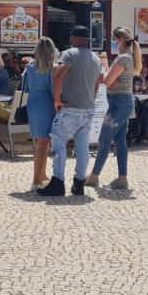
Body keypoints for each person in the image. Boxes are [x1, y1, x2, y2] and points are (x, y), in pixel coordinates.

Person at [38, 26, 101, 197]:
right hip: (88, 108)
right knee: (82, 147)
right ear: (88, 40)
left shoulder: (69, 54)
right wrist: (91, 99)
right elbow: (97, 82)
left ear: (73, 38)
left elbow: (58, 74)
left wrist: (57, 99)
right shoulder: (96, 59)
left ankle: (58, 182)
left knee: (59, 144)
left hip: (69, 107)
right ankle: (79, 183)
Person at [88, 27, 140, 191]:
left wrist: (102, 70)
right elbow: (116, 79)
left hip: (118, 103)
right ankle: (122, 178)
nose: (112, 42)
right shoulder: (129, 58)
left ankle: (94, 176)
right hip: (124, 102)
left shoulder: (122, 58)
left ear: (120, 41)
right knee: (120, 141)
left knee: (104, 138)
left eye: (113, 39)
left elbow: (108, 81)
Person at [21, 37, 58, 191]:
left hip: (33, 103)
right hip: (47, 104)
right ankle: (36, 181)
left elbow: (25, 85)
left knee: (40, 143)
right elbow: (53, 89)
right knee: (44, 144)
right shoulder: (52, 68)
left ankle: (42, 175)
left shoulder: (30, 66)